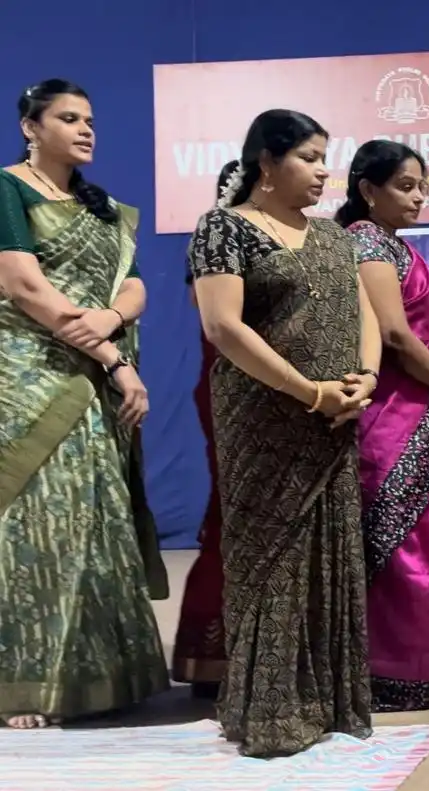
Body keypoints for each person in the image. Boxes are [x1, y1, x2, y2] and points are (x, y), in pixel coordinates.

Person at [187, 109, 380, 756]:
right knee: (270, 559)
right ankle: (270, 712)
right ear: (267, 163)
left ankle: (326, 701)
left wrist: (365, 378)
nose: (325, 168)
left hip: (335, 419)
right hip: (264, 419)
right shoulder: (224, 228)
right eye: (309, 156)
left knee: (328, 554)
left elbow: (365, 314)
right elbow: (225, 328)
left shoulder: (334, 237)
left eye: (327, 155)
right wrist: (310, 392)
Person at [0, 79, 169, 729]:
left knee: (94, 520)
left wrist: (108, 317)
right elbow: (23, 286)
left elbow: (134, 286)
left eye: (90, 119)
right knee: (39, 524)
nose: (85, 128)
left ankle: (102, 676)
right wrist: (115, 358)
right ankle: (24, 682)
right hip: (32, 376)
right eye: (68, 118)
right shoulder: (9, 190)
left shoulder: (99, 204)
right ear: (30, 126)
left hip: (95, 370)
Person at [336, 140, 429, 710]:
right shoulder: (366, 242)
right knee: (403, 541)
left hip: (418, 411)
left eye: (423, 185)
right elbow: (396, 335)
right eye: (405, 185)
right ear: (368, 191)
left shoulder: (393, 244)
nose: (419, 196)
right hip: (390, 414)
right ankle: (393, 672)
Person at [171, 162, 239, 699]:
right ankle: (213, 653)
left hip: (281, 392)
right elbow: (212, 313)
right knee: (230, 514)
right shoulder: (214, 237)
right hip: (227, 386)